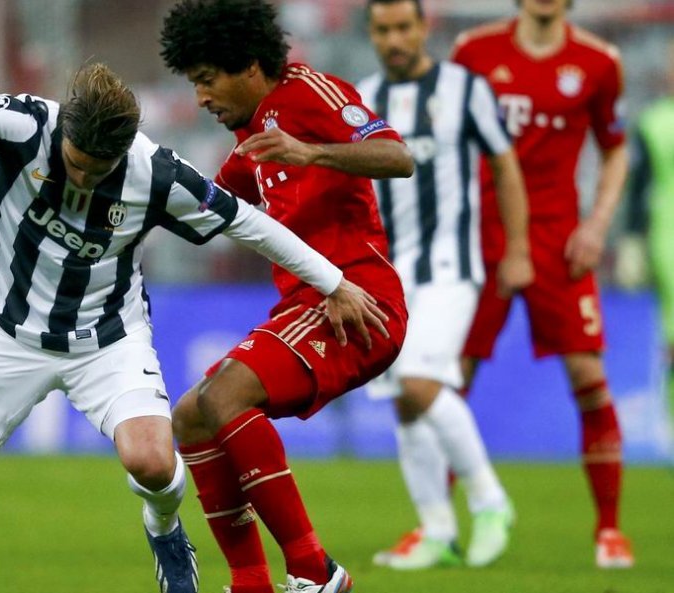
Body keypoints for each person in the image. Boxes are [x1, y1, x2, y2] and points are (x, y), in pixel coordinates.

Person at [0, 56, 388, 593]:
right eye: (74, 161)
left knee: (151, 462)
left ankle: (165, 529)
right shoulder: (26, 123)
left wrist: (334, 283)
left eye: (96, 170)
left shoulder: (157, 173)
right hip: (8, 334)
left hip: (109, 340)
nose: (81, 176)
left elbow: (250, 224)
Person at [160, 1, 414, 591]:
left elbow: (398, 156)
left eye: (206, 79)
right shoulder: (250, 135)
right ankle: (250, 581)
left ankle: (313, 572)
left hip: (358, 300)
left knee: (224, 395)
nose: (200, 97)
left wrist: (311, 151)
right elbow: (202, 209)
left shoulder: (311, 94)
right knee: (190, 418)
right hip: (304, 308)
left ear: (249, 65)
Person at [451, 0, 633, 568]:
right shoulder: (474, 52)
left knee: (589, 375)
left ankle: (609, 531)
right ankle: (436, 526)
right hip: (483, 235)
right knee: (450, 382)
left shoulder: (599, 63)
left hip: (559, 240)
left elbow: (616, 149)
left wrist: (597, 226)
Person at [356, 0, 532, 570]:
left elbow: (505, 165)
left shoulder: (464, 88)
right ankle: (437, 530)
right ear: (371, 34)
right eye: (383, 30)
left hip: (452, 268)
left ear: (424, 27)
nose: (395, 39)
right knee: (405, 405)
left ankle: (490, 500)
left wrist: (519, 249)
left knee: (420, 380)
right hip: (387, 276)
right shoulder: (360, 100)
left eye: (404, 27)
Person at [620, 39, 674, 449]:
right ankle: (670, 426)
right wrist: (633, 240)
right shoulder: (655, 121)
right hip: (667, 237)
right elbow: (638, 188)